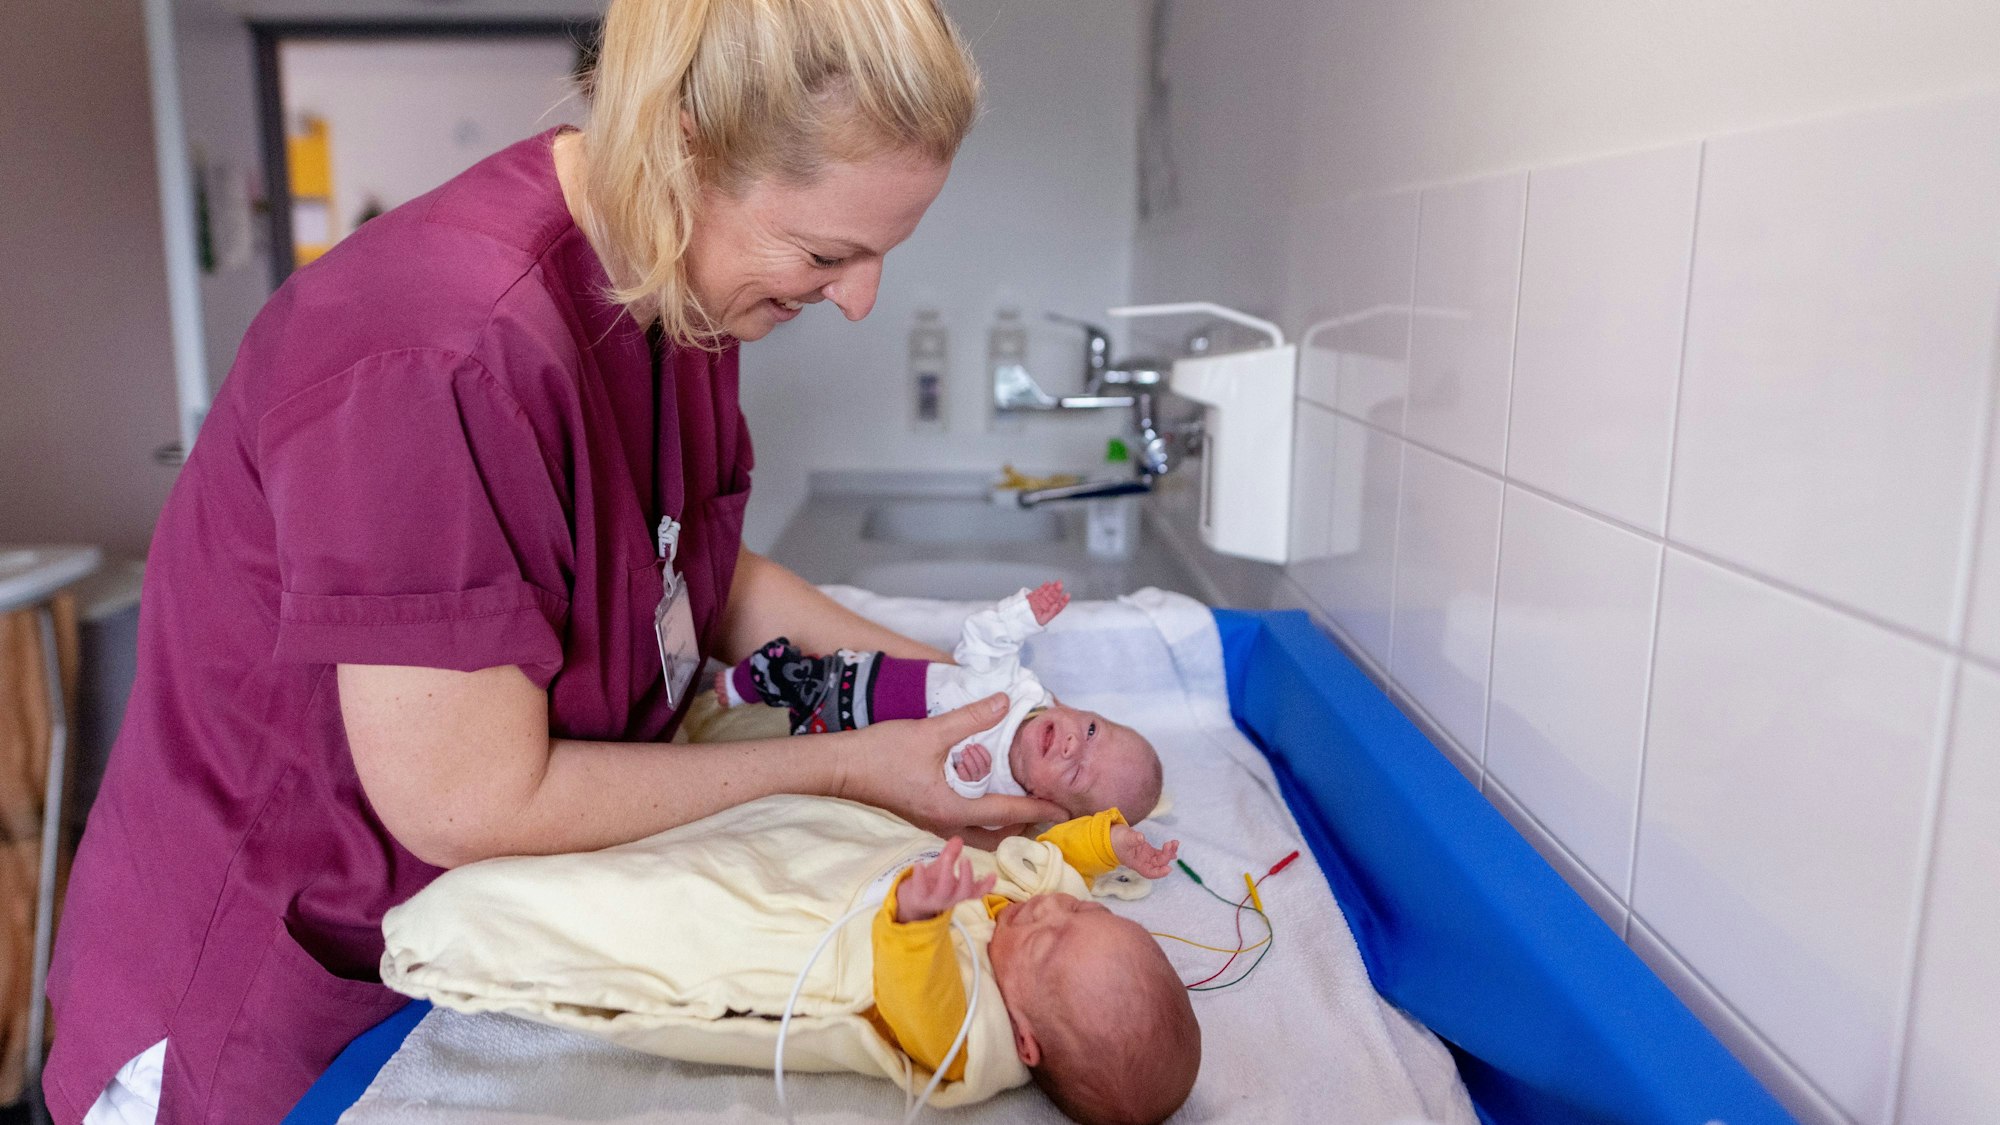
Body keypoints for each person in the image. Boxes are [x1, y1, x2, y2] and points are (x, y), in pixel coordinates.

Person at [45, 3, 1065, 1122]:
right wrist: (853, 765)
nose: (859, 299)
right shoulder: (439, 354)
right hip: (273, 1006)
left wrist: (972, 707)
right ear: (685, 145)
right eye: (829, 252)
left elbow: (690, 575)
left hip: (474, 944)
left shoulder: (674, 294)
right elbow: (470, 799)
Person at [380, 795, 1202, 1125]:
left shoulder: (976, 1037)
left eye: (1054, 938)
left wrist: (915, 920)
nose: (1050, 908)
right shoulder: (1034, 917)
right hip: (841, 857)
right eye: (1082, 911)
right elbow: (1044, 865)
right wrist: (1098, 845)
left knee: (666, 900)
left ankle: (468, 916)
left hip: (834, 933)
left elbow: (921, 1007)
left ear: (1028, 1038)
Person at [717, 582, 1164, 824]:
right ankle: (748, 681)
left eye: (1078, 771)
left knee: (808, 708)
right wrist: (1021, 617)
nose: (1071, 745)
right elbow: (980, 645)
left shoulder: (1002, 789)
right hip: (881, 677)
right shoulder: (1024, 690)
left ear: (1050, 801)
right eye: (1090, 731)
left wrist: (967, 783)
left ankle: (766, 687)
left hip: (858, 731)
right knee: (808, 670)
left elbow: (951, 803)